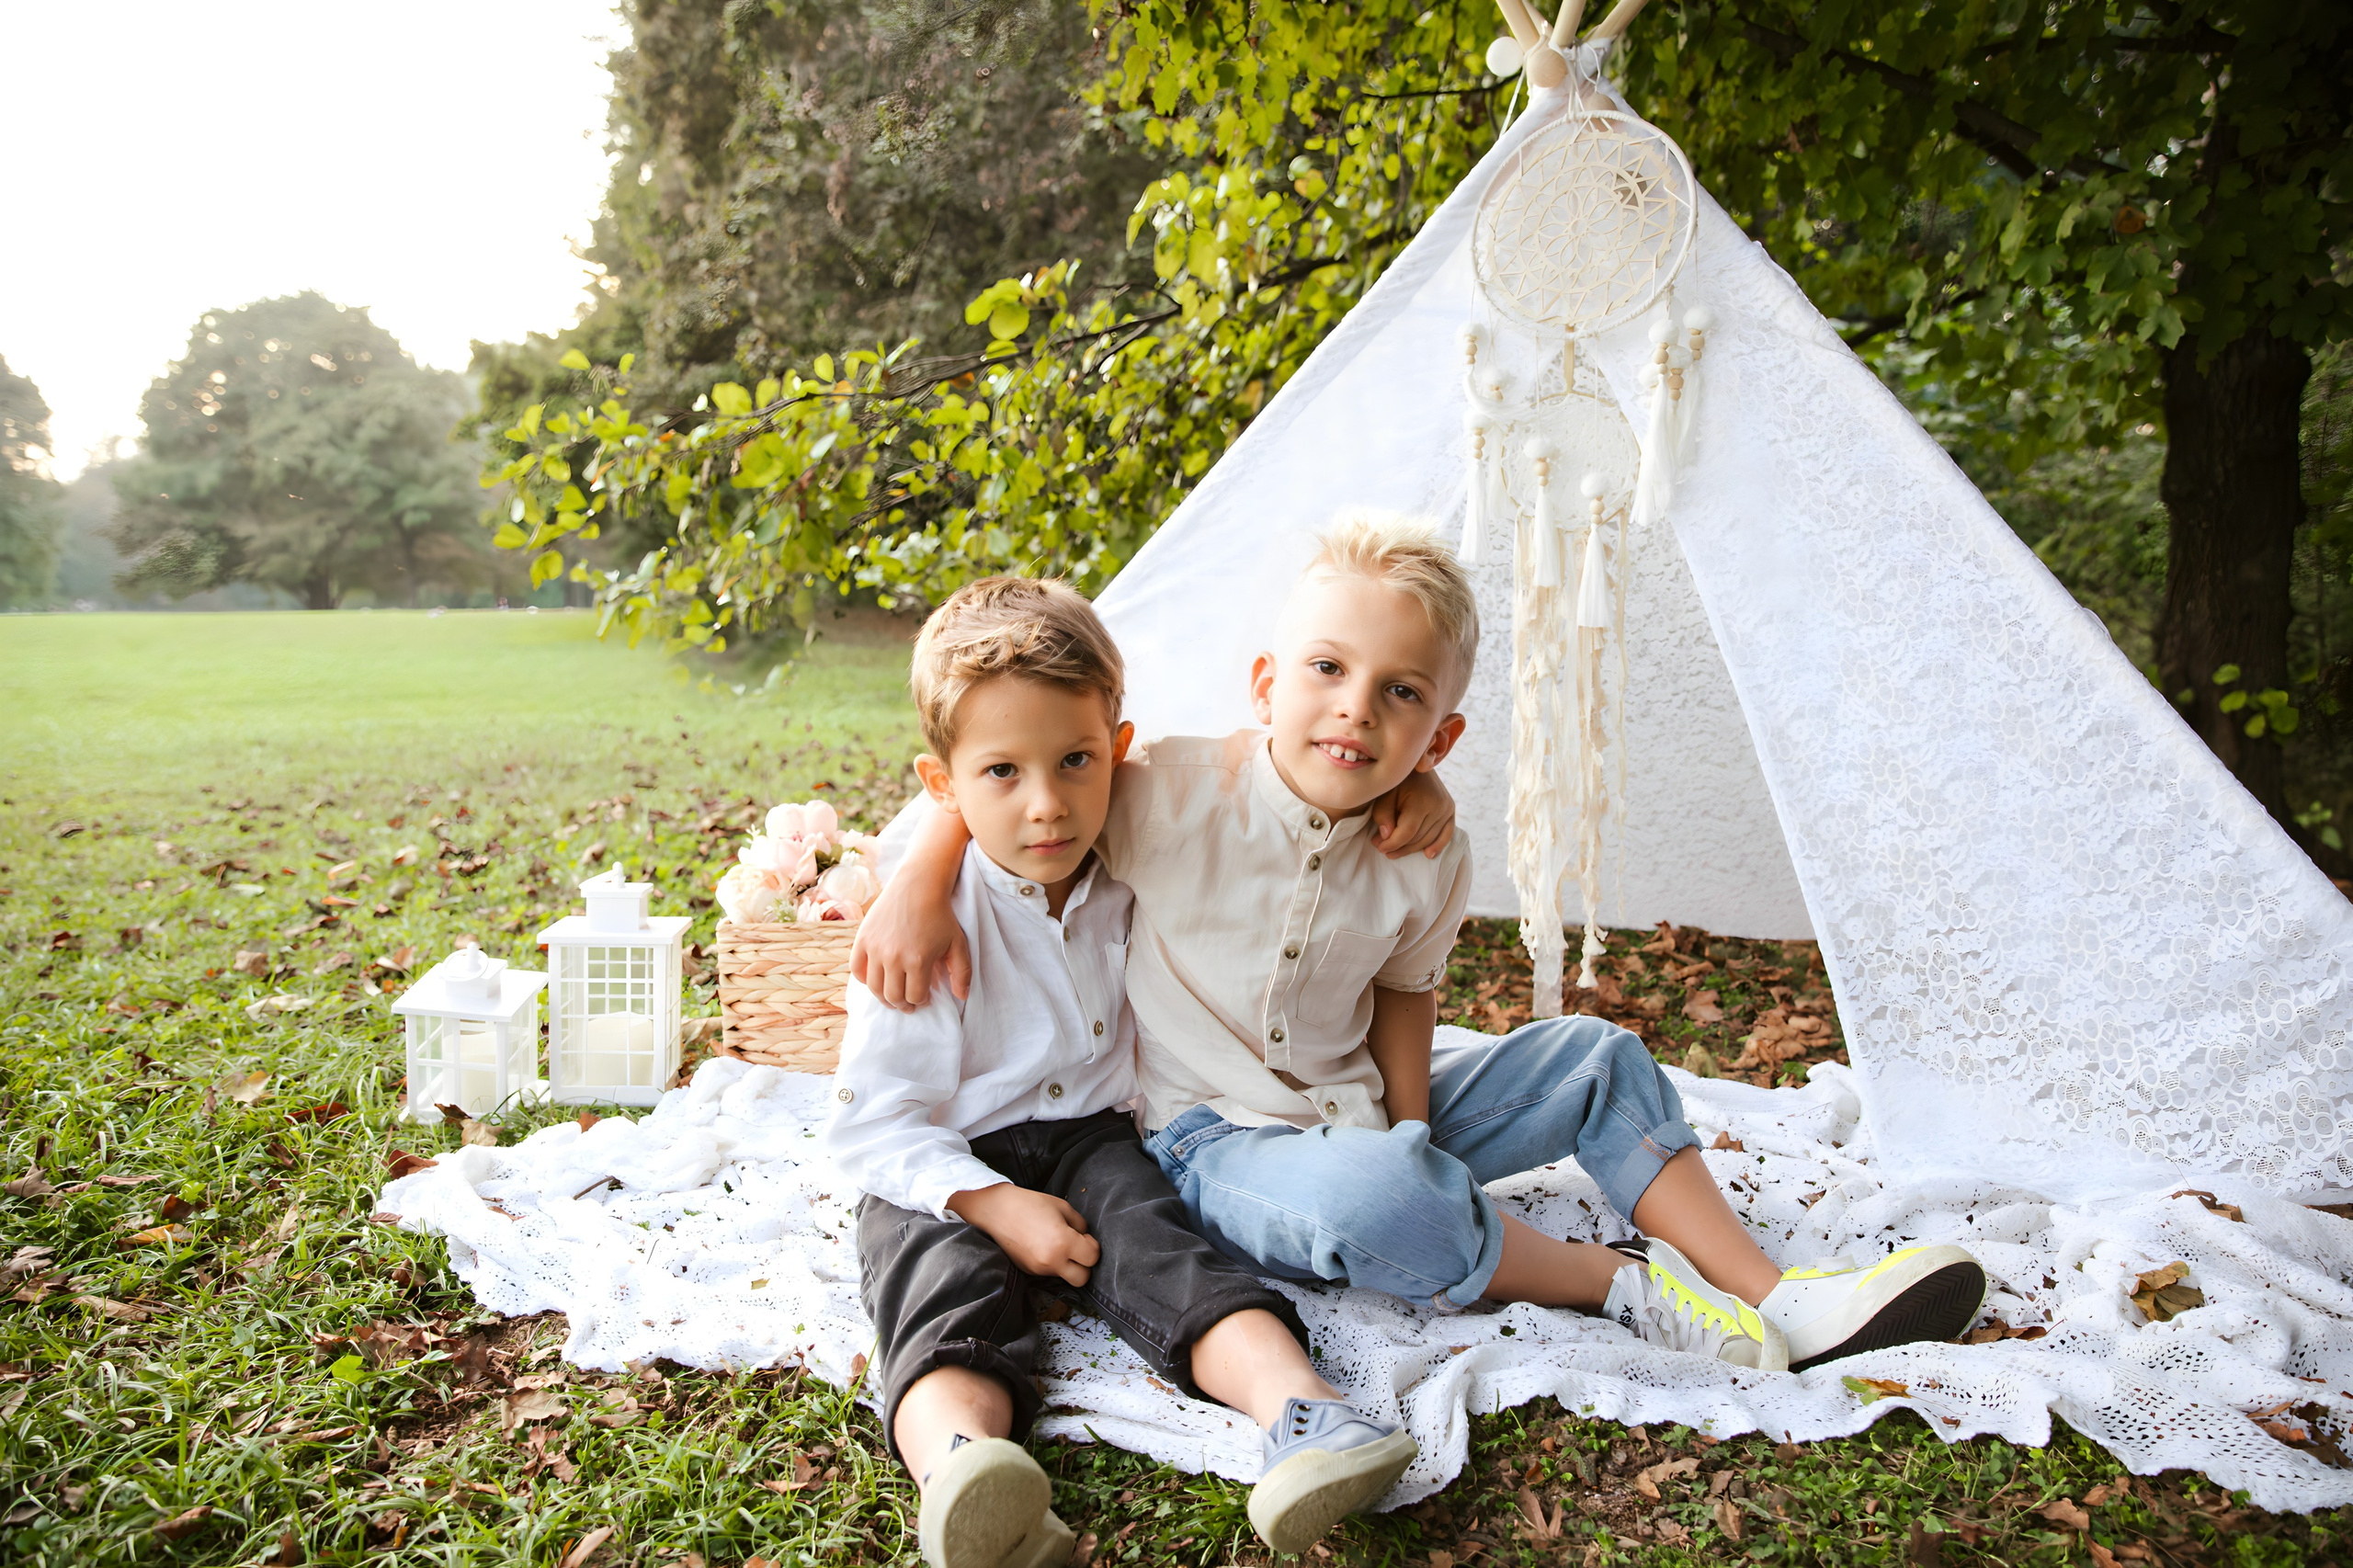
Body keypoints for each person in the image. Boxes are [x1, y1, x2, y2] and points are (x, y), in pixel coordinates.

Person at [857, 514, 1987, 1377]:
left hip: (1354, 1098)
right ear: (1266, 685)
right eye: (1327, 671)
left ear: (1437, 733)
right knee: (1377, 1200)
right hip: (1215, 1140)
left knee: (1593, 1058)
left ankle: (1776, 1290)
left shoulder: (1425, 845)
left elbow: (1407, 991)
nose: (1354, 709)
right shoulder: (1167, 794)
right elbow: (1025, 768)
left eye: (1398, 695)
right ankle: (1614, 1284)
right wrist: (918, 871)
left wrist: (1410, 1123)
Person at [824, 576, 1427, 1568]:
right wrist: (987, 1203)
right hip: (942, 1157)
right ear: (943, 785)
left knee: (1161, 1246)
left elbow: (1281, 782)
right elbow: (870, 1123)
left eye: (1075, 760)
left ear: (1118, 744)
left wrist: (1414, 779)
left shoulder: (1146, 848)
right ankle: (968, 1472)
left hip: (1098, 1134)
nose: (1048, 804)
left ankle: (1310, 1413)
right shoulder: (923, 926)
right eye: (1003, 773)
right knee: (941, 1286)